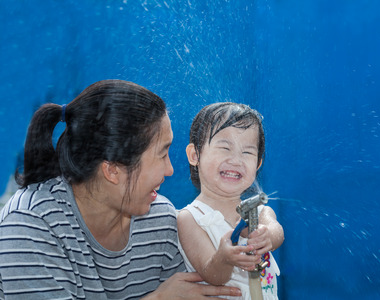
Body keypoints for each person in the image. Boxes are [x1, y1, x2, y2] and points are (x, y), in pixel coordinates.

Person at [0, 80, 242, 300]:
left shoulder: (160, 220)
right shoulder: (30, 224)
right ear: (112, 169)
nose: (170, 170)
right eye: (161, 154)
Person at [177, 102, 285, 300]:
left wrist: (267, 235)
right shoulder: (190, 218)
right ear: (195, 155)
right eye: (225, 148)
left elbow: (277, 231)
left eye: (247, 152)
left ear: (258, 163)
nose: (236, 160)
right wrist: (224, 258)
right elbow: (213, 275)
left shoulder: (259, 211)